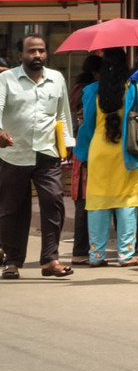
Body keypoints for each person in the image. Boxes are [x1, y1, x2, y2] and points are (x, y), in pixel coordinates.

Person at [0, 34, 75, 278]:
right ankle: (12, 261)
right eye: (31, 51)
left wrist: (69, 144)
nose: (37, 56)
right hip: (13, 154)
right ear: (20, 54)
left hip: (47, 152)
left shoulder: (56, 79)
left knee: (54, 202)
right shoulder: (6, 79)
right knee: (13, 210)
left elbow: (63, 115)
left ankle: (50, 260)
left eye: (41, 51)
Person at [76, 52, 138, 268]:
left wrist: (82, 154)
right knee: (126, 202)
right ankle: (125, 255)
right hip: (125, 152)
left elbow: (87, 127)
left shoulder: (92, 91)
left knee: (98, 203)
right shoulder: (135, 89)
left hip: (99, 151)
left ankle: (96, 255)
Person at [67, 54, 102, 265]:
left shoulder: (78, 88)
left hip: (82, 147)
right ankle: (80, 249)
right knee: (83, 199)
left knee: (85, 199)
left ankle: (84, 248)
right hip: (85, 148)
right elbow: (83, 120)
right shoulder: (87, 91)